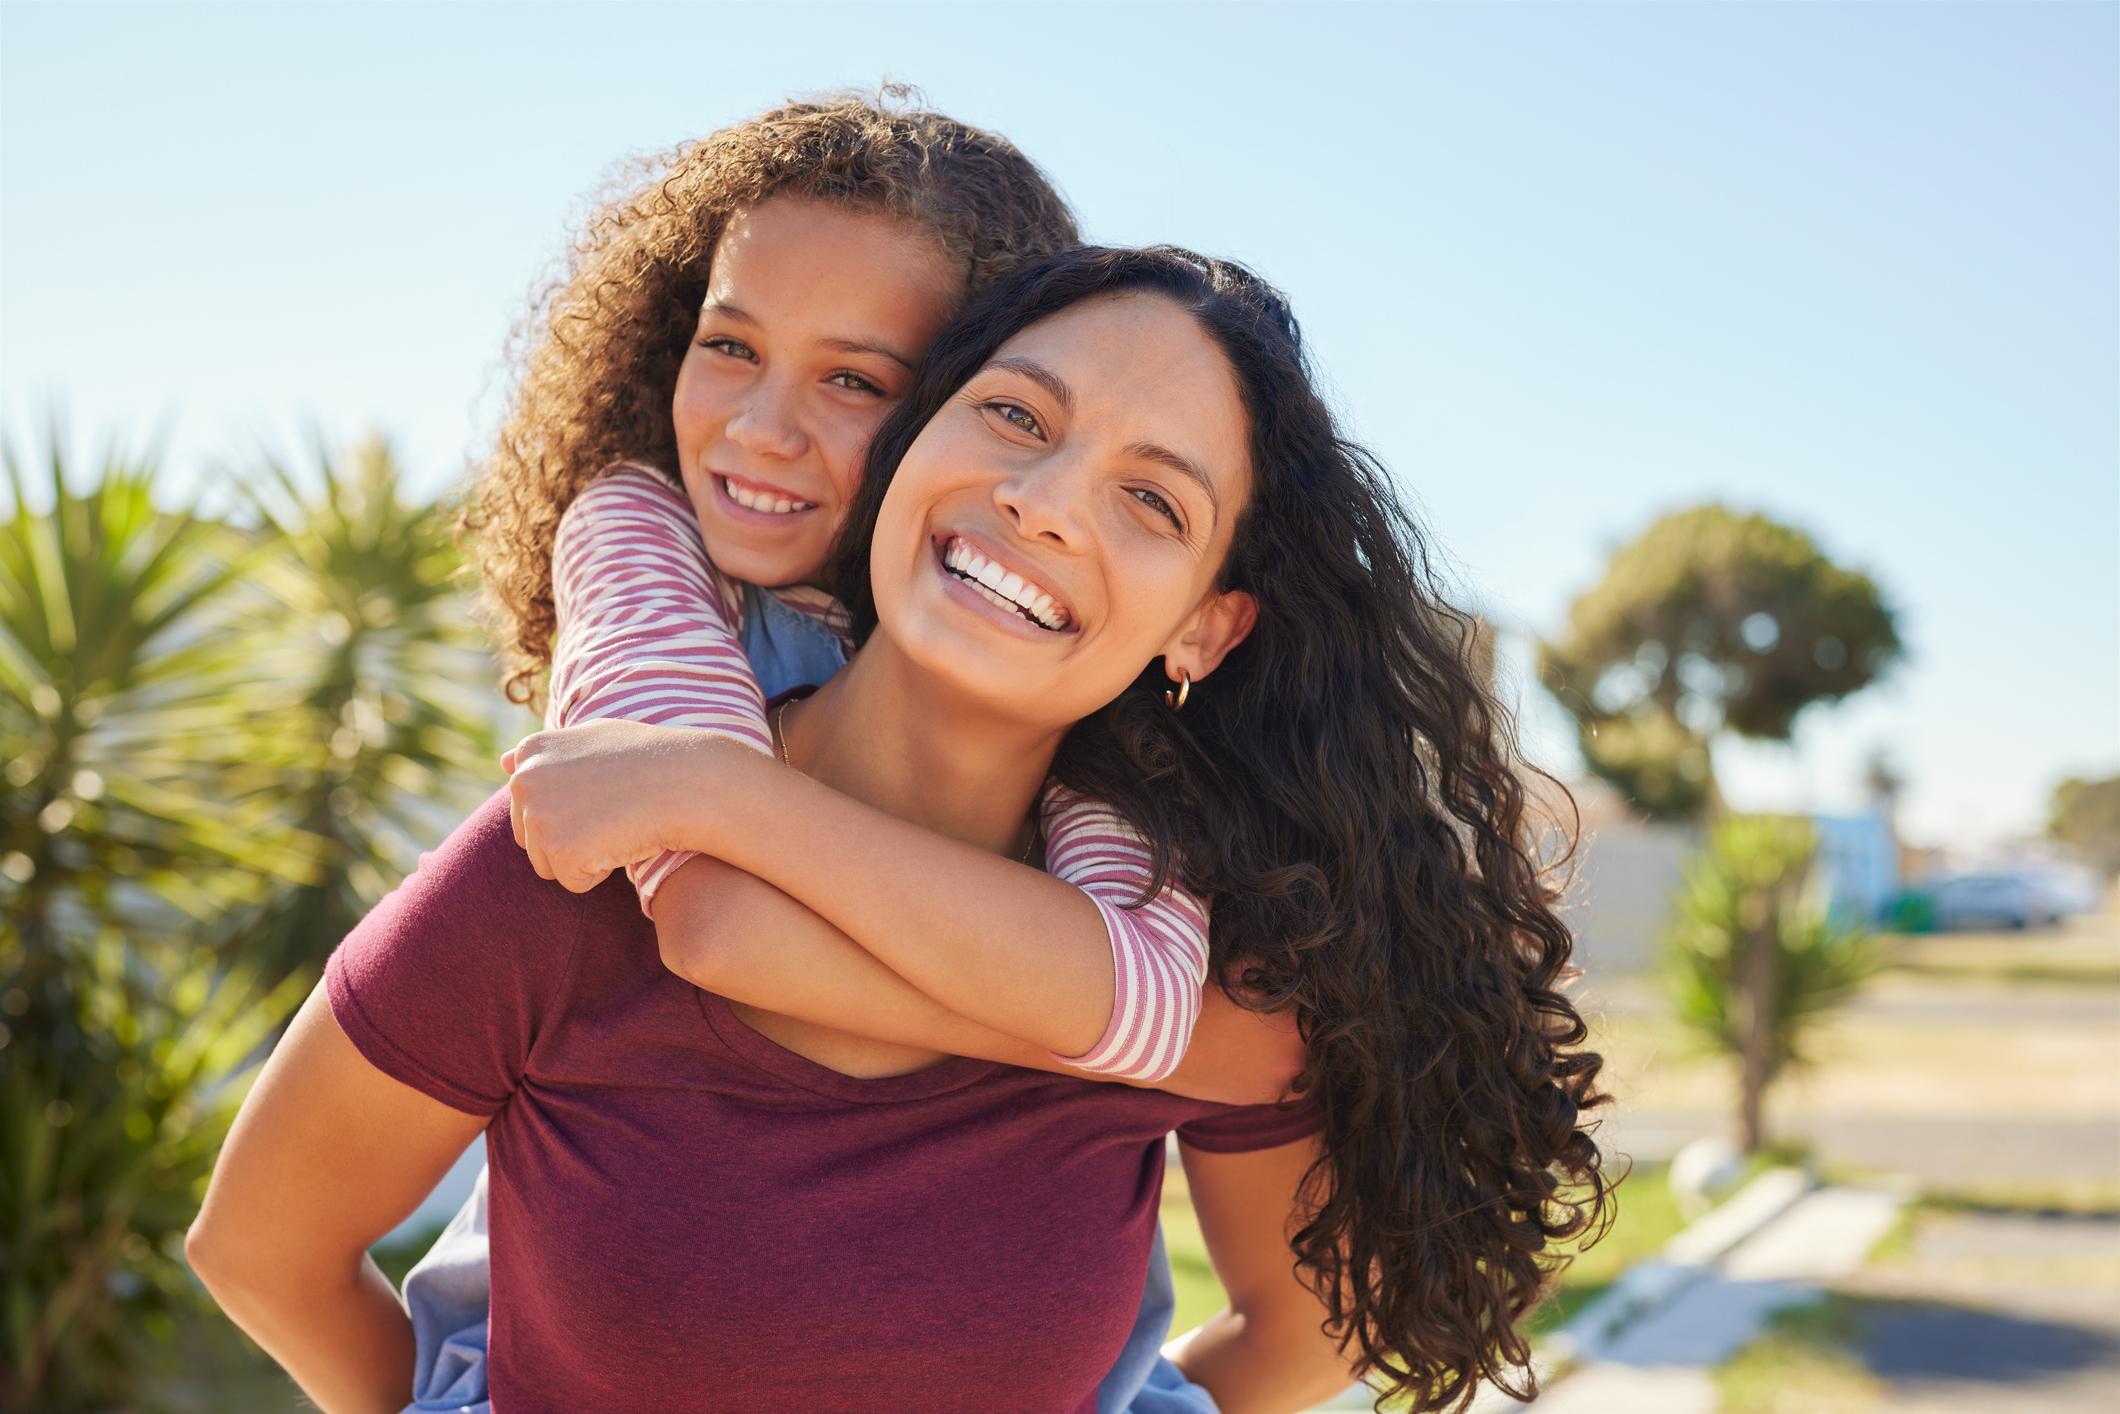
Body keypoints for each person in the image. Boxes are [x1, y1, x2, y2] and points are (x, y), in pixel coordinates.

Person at [190, 245, 1609, 1413]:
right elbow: (261, 1245)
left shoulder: (1201, 950)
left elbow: (1298, 1342)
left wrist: (735, 796)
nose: (1042, 503)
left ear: (1205, 626)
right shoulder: (586, 854)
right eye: (1014, 415)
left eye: (1150, 499)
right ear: (911, 438)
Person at [414, 92, 1279, 1414]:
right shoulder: (640, 543)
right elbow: (718, 918)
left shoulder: (1053, 699)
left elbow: (1148, 991)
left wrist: (1149, 1031)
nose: (762, 429)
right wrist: (1107, 1036)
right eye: (731, 345)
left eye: (856, 380)